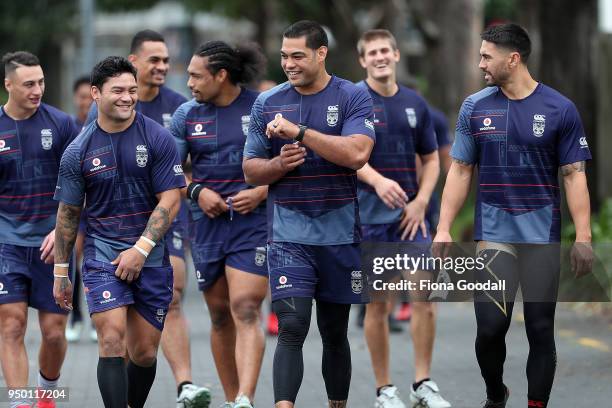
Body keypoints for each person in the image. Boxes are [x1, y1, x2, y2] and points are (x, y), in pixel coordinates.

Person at [433, 23, 593, 408]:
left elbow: (573, 175)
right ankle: (495, 393)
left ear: (513, 59)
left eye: (487, 56)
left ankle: (536, 403)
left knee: (540, 329)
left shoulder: (559, 109)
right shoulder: (475, 106)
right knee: (490, 328)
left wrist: (584, 236)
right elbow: (459, 170)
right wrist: (442, 228)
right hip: (494, 232)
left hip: (541, 233)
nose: (480, 63)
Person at [243, 20, 375, 408]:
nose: (288, 63)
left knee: (335, 333)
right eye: (284, 56)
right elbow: (250, 169)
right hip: (288, 234)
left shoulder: (353, 96)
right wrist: (279, 165)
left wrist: (300, 133)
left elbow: (356, 154)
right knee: (292, 325)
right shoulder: (267, 102)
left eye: (297, 55)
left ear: (321, 53)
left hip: (340, 235)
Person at [53, 56, 185, 408]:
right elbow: (68, 214)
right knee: (111, 339)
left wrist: (140, 250)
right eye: (118, 91)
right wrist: (62, 272)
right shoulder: (77, 151)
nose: (128, 97)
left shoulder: (157, 137)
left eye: (132, 90)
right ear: (96, 94)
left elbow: (171, 198)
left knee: (143, 353)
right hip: (101, 256)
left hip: (151, 256)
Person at [85, 29, 209, 406]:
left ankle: (184, 382)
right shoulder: (103, 109)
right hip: (113, 229)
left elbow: (191, 167)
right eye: (154, 60)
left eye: (167, 61)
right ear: (134, 62)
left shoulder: (181, 106)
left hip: (165, 214)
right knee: (114, 330)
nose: (162, 67)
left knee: (171, 296)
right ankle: (119, 383)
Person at [355, 29, 451, 408]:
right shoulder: (352, 100)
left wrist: (421, 200)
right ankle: (385, 390)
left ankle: (422, 383)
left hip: (412, 219)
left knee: (426, 298)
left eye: (385, 50)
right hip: (368, 218)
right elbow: (347, 157)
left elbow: (431, 160)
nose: (379, 57)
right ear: (363, 60)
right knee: (378, 306)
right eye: (371, 52)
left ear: (396, 55)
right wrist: (377, 182)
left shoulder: (415, 103)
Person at [170, 40, 268, 408]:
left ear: (221, 75)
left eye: (196, 75)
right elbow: (171, 174)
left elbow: (290, 163)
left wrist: (261, 193)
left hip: (253, 224)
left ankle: (245, 397)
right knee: (219, 314)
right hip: (207, 225)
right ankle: (231, 399)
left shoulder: (261, 107)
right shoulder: (185, 116)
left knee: (244, 306)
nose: (189, 82)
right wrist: (196, 191)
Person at [0, 51, 80, 408]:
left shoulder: (62, 124)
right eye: (29, 84)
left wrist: (61, 232)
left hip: (54, 244)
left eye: (42, 82)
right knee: (12, 325)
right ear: (8, 85)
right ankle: (20, 401)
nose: (37, 90)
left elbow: (82, 184)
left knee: (53, 333)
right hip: (7, 243)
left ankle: (47, 393)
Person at [65, 75, 96, 343]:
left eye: (90, 97)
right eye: (82, 97)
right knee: (73, 257)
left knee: (95, 260)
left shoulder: (103, 128)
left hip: (98, 209)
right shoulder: (69, 128)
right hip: (76, 209)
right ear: (76, 98)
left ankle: (99, 314)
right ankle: (75, 315)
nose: (86, 102)